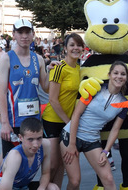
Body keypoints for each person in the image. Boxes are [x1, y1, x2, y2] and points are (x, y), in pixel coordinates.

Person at [60, 61, 128, 190]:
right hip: (71, 136)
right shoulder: (95, 88)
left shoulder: (124, 103)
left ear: (126, 78)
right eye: (115, 73)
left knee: (108, 179)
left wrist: (106, 151)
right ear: (109, 75)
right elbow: (76, 115)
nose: (119, 76)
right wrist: (72, 144)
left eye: (123, 74)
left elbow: (115, 130)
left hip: (92, 140)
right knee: (75, 181)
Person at [0, 18, 50, 158]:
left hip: (34, 121)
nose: (24, 36)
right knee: (11, 163)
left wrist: (52, 71)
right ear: (14, 34)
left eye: (27, 32)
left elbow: (45, 87)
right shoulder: (6, 58)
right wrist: (4, 123)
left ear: (33, 34)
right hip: (14, 121)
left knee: (31, 163)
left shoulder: (38, 59)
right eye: (20, 32)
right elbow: (2, 93)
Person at [41, 33, 84, 188]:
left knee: (61, 165)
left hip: (68, 123)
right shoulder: (59, 68)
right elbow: (52, 99)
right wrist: (69, 123)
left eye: (78, 45)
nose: (75, 48)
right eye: (72, 45)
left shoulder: (80, 69)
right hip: (53, 121)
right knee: (52, 165)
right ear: (65, 48)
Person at [0, 118, 59, 190]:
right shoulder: (15, 156)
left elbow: (45, 173)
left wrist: (41, 188)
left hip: (22, 186)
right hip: (0, 187)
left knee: (52, 187)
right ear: (20, 137)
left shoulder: (45, 145)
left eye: (39, 138)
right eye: (30, 139)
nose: (35, 144)